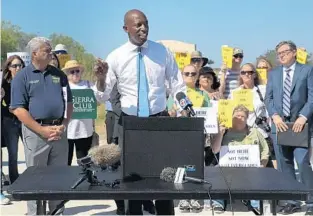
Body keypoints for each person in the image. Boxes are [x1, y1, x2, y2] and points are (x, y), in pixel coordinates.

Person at [94, 9, 186, 215]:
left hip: (159, 121)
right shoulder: (116, 56)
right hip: (130, 123)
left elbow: (177, 86)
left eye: (145, 23)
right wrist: (100, 78)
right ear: (125, 28)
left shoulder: (162, 52)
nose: (143, 28)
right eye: (138, 25)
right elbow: (102, 95)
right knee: (133, 179)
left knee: (164, 176)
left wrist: (182, 107)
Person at [10, 37, 73, 215]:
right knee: (36, 181)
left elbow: (69, 102)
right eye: (47, 49)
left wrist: (64, 124)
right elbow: (17, 108)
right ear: (34, 53)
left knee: (58, 180)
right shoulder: (22, 77)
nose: (51, 52)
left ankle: (57, 213)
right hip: (35, 134)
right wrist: (41, 130)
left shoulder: (59, 74)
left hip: (59, 133)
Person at [265, 40, 313, 215]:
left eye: (285, 52)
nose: (281, 56)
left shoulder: (306, 70)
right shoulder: (274, 73)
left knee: (302, 162)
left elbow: (312, 97)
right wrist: (275, 116)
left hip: (300, 125)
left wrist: (303, 117)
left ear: (294, 52)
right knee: (284, 165)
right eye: (279, 53)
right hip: (280, 125)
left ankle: (310, 202)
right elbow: (268, 98)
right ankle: (292, 201)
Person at [211, 105, 269, 214]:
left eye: (243, 116)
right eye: (237, 115)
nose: (240, 118)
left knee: (257, 174)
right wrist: (220, 134)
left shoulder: (255, 132)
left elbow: (265, 151)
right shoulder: (225, 131)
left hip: (249, 168)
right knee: (217, 171)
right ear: (232, 116)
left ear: (247, 118)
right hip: (229, 168)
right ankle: (218, 202)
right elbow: (214, 150)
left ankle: (255, 204)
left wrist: (262, 164)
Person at [62, 60, 105, 165]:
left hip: (85, 131)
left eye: (77, 71)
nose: (75, 74)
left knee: (84, 163)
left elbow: (100, 100)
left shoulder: (89, 85)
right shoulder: (63, 87)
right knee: (65, 162)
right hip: (68, 131)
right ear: (67, 74)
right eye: (72, 72)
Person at [1, 55, 25, 185]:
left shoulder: (27, 81)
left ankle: (32, 179)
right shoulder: (4, 83)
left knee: (30, 151)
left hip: (25, 120)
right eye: (14, 65)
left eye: (20, 65)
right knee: (13, 153)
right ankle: (15, 181)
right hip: (9, 121)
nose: (17, 68)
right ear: (9, 67)